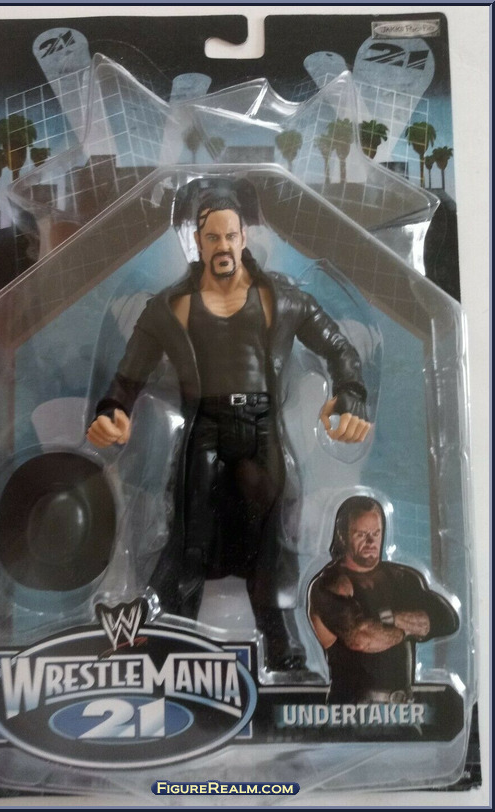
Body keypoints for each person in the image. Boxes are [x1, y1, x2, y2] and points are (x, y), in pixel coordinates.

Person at [87, 179, 371, 671]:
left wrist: (349, 396)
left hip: (263, 429)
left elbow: (340, 350)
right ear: (197, 242)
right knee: (190, 536)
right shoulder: (171, 307)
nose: (222, 246)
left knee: (272, 538)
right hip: (205, 427)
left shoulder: (280, 299)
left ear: (244, 238)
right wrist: (113, 412)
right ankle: (168, 638)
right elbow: (128, 376)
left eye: (230, 235)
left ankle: (280, 643)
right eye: (212, 237)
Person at [308, 496, 459, 701]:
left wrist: (387, 619)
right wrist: (409, 629)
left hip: (404, 708)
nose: (371, 542)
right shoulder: (330, 584)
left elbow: (446, 620)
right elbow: (362, 639)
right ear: (343, 535)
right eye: (362, 534)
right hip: (352, 709)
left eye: (376, 533)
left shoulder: (403, 578)